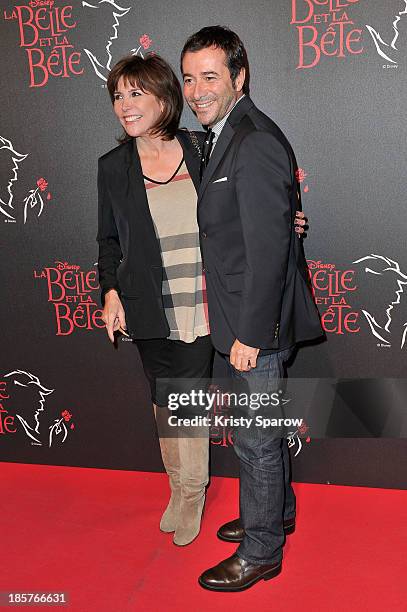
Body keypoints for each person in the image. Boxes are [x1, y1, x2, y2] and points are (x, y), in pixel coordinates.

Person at [97, 53, 307, 548]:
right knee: (164, 401)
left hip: (207, 302)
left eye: (136, 93)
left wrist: (289, 225)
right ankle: (182, 488)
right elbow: (108, 241)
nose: (125, 106)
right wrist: (108, 291)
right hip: (148, 303)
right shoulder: (112, 167)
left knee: (192, 404)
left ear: (165, 99)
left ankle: (193, 493)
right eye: (118, 96)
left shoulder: (201, 147)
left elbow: (249, 205)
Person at [181, 26, 323, 591]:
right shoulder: (222, 134)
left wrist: (253, 333)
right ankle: (276, 513)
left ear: (239, 77)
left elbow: (269, 251)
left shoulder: (254, 139)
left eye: (210, 77)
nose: (196, 90)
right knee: (253, 431)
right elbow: (261, 227)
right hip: (239, 313)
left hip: (250, 322)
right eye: (189, 78)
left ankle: (263, 551)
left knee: (257, 437)